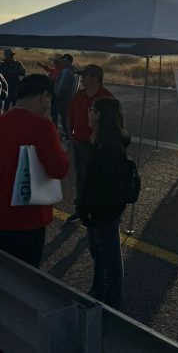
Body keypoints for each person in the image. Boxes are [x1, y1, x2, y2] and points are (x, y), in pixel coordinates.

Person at [0, 75, 70, 267]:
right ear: (44, 96)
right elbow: (59, 169)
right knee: (24, 283)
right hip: (27, 220)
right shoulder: (42, 126)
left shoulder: (2, 121)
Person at [77, 97, 130, 307]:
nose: (88, 113)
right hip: (97, 211)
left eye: (91, 110)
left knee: (110, 261)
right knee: (99, 256)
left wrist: (89, 208)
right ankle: (98, 291)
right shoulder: (100, 142)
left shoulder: (107, 148)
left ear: (99, 115)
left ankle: (111, 305)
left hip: (102, 213)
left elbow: (103, 186)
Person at [65, 65, 114, 223]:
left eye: (84, 75)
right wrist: (70, 135)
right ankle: (81, 209)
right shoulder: (79, 95)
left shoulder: (106, 97)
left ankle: (95, 210)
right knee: (80, 178)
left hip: (96, 148)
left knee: (96, 179)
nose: (82, 78)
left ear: (95, 77)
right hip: (79, 144)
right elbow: (69, 116)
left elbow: (112, 125)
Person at [54, 53, 78, 137]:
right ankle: (69, 135)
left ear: (67, 61)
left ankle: (68, 136)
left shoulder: (66, 71)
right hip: (71, 98)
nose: (62, 62)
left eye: (63, 60)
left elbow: (62, 88)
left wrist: (56, 96)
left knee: (65, 119)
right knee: (68, 118)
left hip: (63, 99)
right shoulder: (74, 70)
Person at [38, 54, 63, 127]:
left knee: (55, 110)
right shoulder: (57, 70)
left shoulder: (59, 71)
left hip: (56, 94)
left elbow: (54, 80)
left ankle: (55, 126)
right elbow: (50, 69)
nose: (54, 63)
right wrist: (43, 66)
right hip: (55, 93)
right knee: (54, 111)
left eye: (55, 62)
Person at [0, 48, 26, 113]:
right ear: (6, 56)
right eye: (11, 55)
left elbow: (23, 71)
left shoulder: (18, 63)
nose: (12, 56)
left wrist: (14, 72)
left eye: (13, 55)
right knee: (5, 107)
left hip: (16, 89)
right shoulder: (2, 64)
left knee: (17, 107)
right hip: (7, 89)